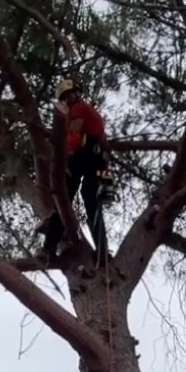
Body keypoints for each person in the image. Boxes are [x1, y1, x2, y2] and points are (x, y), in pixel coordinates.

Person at [41, 78, 111, 265]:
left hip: (85, 157)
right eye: (66, 97)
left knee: (68, 198)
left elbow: (74, 136)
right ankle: (100, 251)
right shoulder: (91, 113)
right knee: (84, 201)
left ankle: (49, 247)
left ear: (76, 95)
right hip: (98, 160)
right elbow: (104, 142)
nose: (69, 99)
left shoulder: (79, 109)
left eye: (69, 96)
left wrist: (64, 156)